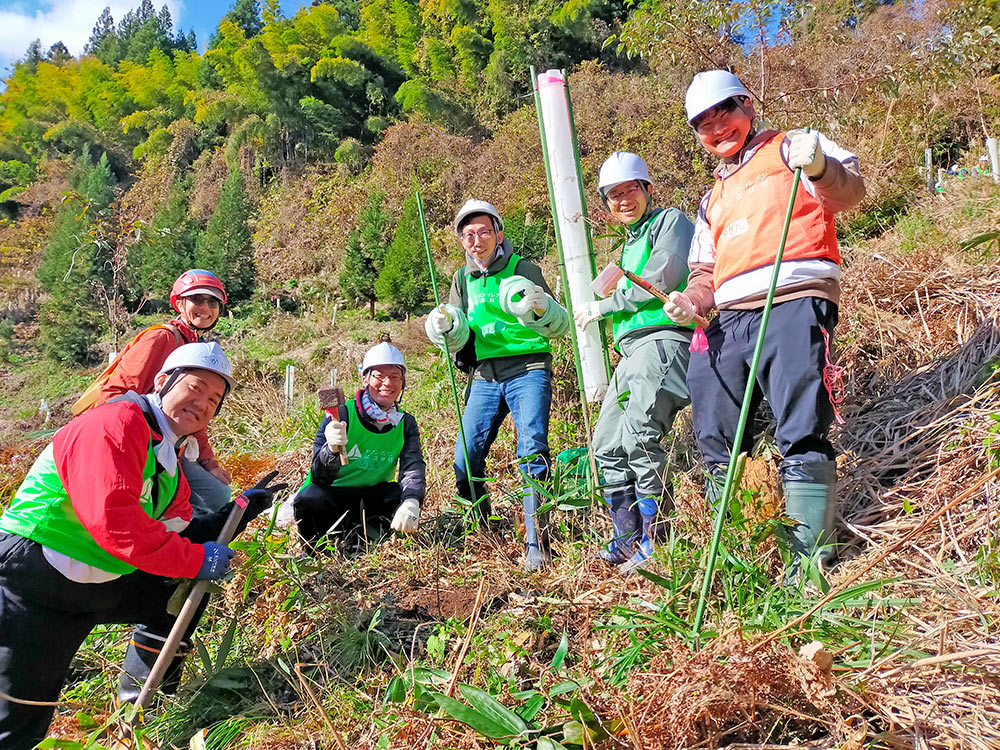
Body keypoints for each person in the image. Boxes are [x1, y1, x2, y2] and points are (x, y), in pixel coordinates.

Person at [0, 343, 286, 749]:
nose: (202, 403)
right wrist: (195, 559)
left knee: (174, 592)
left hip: (99, 581)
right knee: (18, 717)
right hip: (37, 578)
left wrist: (238, 511)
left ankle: (141, 707)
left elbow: (177, 534)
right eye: (194, 387)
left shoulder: (167, 456)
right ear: (162, 381)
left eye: (213, 400)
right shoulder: (114, 425)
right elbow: (117, 524)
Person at [664, 70, 865, 578]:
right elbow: (704, 273)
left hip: (792, 298)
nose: (717, 129)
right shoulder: (711, 199)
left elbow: (849, 192)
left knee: (801, 425)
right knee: (712, 422)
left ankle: (807, 567)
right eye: (703, 124)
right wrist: (690, 302)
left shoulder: (794, 148)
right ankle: (745, 555)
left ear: (747, 106)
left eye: (724, 113)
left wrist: (818, 167)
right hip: (729, 318)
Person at [425, 199, 570, 572]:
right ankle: (482, 525)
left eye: (484, 232)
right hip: (486, 374)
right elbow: (456, 327)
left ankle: (537, 541)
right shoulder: (462, 279)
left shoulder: (523, 269)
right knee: (464, 457)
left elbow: (551, 316)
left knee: (531, 450)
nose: (477, 241)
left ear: (498, 234)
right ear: (461, 241)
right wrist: (446, 328)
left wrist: (537, 305)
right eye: (468, 235)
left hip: (528, 367)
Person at [574, 152, 695, 574]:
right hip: (629, 352)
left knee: (641, 435)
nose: (623, 200)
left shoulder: (671, 223)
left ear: (647, 189)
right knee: (606, 445)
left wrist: (606, 305)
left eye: (630, 190)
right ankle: (626, 537)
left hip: (664, 340)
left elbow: (666, 275)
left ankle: (657, 540)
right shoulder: (626, 247)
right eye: (613, 195)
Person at [87, 269, 233, 513]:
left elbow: (196, 416)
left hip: (169, 446)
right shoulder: (160, 339)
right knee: (203, 499)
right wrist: (131, 447)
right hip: (137, 443)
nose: (205, 307)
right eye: (196, 299)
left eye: (212, 302)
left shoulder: (195, 347)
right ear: (179, 302)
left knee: (216, 494)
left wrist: (209, 463)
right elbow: (116, 394)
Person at [293, 341, 426, 552]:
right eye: (379, 376)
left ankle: (365, 541)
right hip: (332, 496)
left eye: (394, 376)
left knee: (400, 494)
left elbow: (412, 466)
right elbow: (319, 477)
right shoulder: (341, 414)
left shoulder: (405, 423)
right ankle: (315, 551)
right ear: (365, 379)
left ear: (403, 383)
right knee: (310, 498)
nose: (387, 383)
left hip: (371, 498)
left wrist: (412, 501)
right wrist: (331, 450)